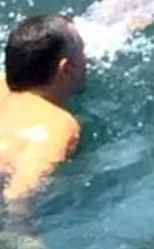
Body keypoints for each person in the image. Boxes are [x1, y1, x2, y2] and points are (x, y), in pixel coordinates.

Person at [0, 16, 88, 207]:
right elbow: (19, 194)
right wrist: (21, 234)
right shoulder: (57, 125)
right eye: (83, 52)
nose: (87, 61)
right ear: (66, 70)